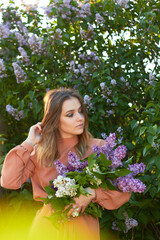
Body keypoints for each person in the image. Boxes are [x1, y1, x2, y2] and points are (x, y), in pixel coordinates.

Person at [1, 88, 131, 240]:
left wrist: (92, 193)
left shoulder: (99, 148)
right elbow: (9, 181)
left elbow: (125, 188)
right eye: (70, 114)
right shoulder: (40, 152)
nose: (80, 118)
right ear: (55, 119)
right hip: (47, 228)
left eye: (81, 111)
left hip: (84, 229)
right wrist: (29, 143)